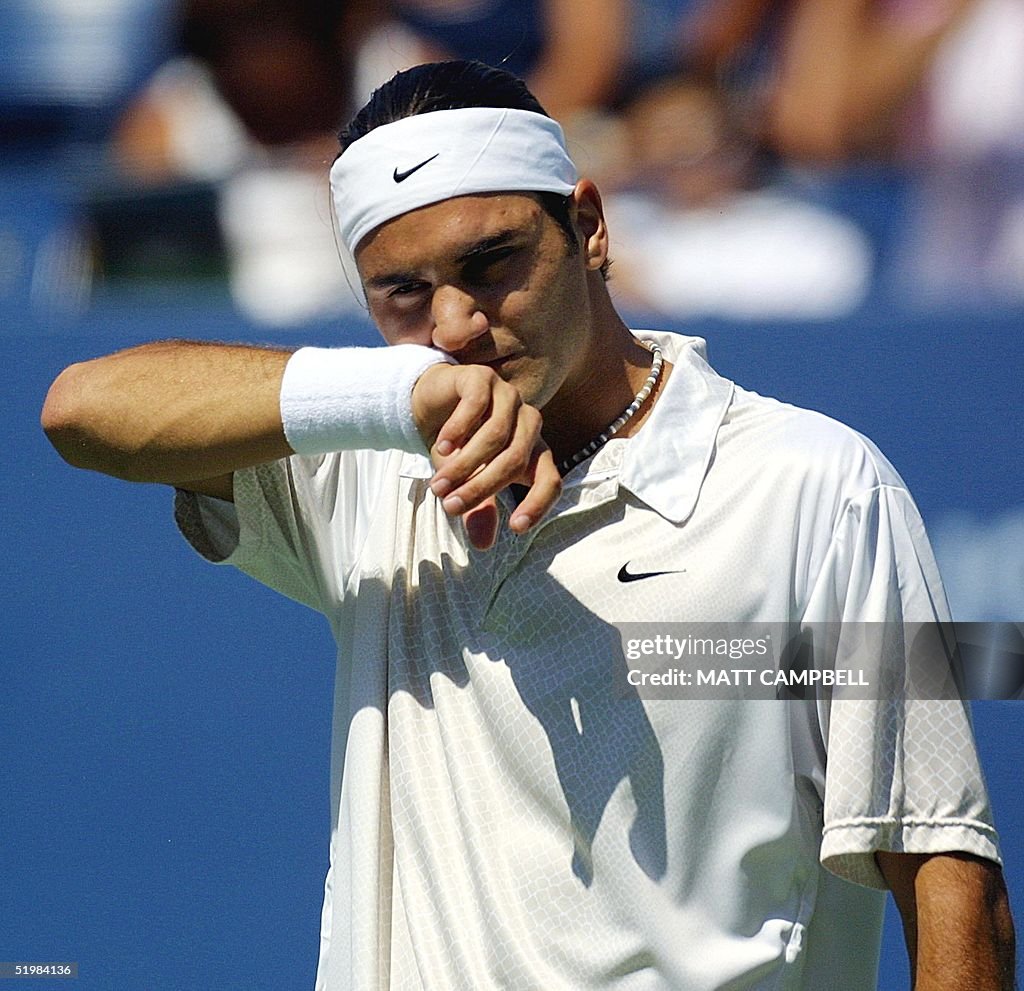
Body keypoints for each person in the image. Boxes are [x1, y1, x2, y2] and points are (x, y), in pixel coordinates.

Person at [41, 60, 1014, 990]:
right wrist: (395, 394)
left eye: (491, 260)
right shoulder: (368, 461)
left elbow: (949, 881)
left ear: (587, 224)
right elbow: (83, 410)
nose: (455, 323)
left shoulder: (820, 486)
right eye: (403, 293)